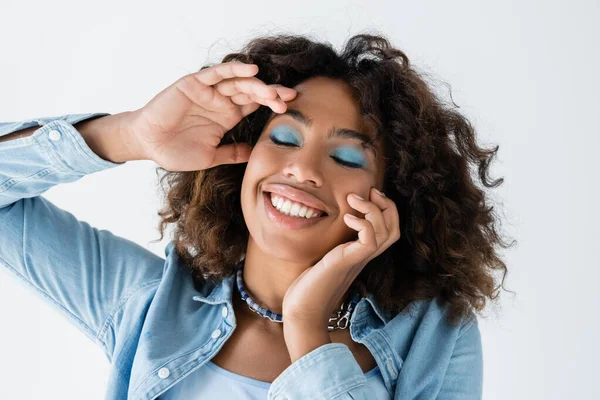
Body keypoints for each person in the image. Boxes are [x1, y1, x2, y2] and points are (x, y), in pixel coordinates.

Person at [0, 33, 511, 399]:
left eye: (348, 158)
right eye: (285, 138)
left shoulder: (434, 336)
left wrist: (307, 330)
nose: (303, 169)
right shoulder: (146, 306)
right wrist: (132, 136)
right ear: (243, 156)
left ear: (392, 194)